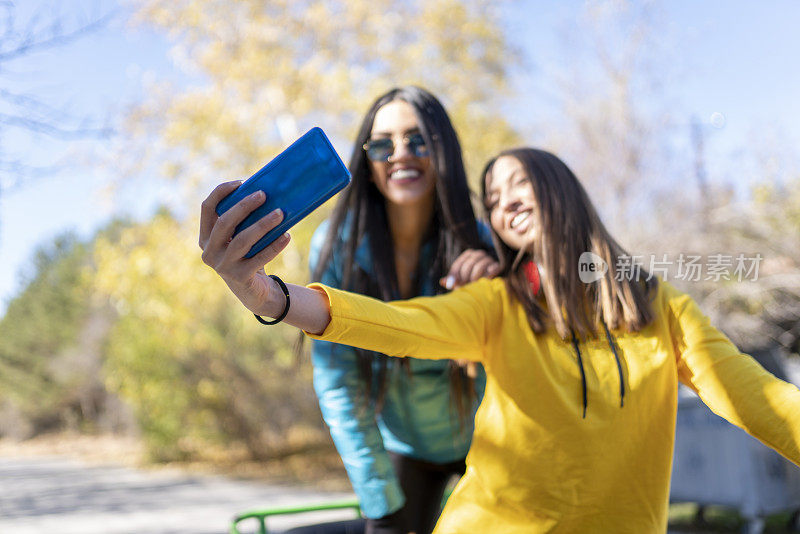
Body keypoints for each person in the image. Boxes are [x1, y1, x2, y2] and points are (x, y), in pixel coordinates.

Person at [199, 147, 800, 533]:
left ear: (563, 190)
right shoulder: (497, 303)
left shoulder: (660, 305)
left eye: (518, 184)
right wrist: (270, 296)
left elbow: (757, 397)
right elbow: (398, 326)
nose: (503, 201)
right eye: (492, 197)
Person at [301, 86, 496, 534]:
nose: (401, 154)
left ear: (443, 151)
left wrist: (495, 289)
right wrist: (380, 504)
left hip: (492, 443)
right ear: (367, 163)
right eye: (383, 144)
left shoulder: (485, 243)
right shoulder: (338, 248)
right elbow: (339, 382)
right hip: (406, 447)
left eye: (419, 139)